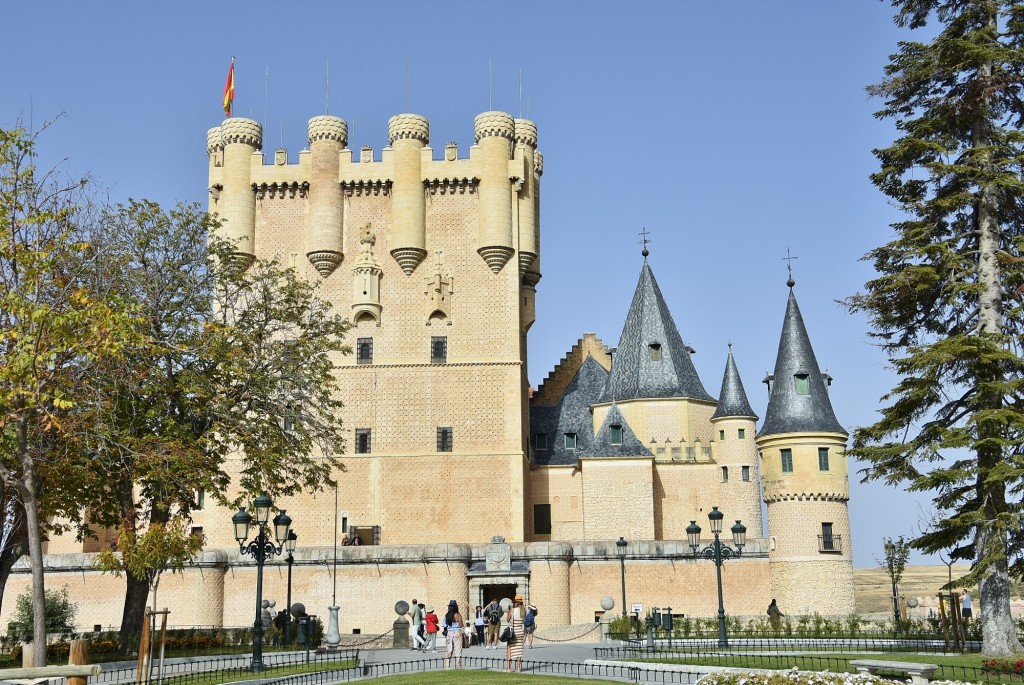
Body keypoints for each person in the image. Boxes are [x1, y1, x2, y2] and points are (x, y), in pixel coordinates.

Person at [505, 594, 526, 672]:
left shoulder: (513, 610)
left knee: (509, 650)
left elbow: (508, 620)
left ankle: (508, 668)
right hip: (520, 631)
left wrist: (508, 613)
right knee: (519, 651)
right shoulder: (523, 611)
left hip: (513, 632)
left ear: (516, 602)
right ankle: (518, 668)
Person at [443, 599, 463, 669]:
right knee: (458, 650)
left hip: (449, 633)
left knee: (449, 650)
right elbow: (461, 625)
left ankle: (447, 666)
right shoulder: (458, 614)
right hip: (457, 632)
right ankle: (458, 666)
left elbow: (444, 625)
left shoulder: (447, 615)